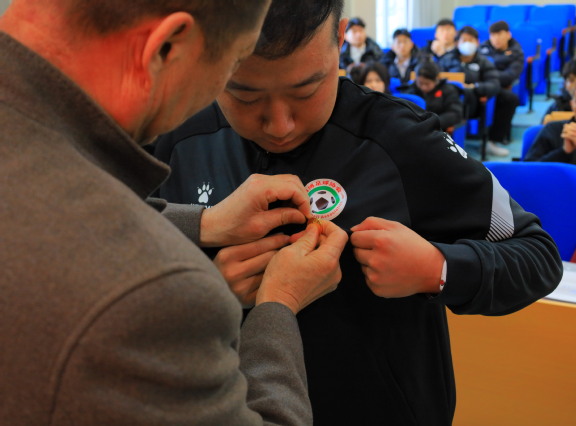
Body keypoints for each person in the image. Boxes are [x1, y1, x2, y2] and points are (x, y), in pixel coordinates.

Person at [151, 0, 563, 424]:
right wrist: (207, 283)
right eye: (244, 94)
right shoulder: (177, 134)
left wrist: (437, 269)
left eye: (305, 91)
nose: (279, 124)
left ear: (340, 37)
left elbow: (538, 256)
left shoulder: (402, 140)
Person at [0, 0, 350, 424]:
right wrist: (277, 305)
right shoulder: (159, 296)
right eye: (236, 68)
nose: (279, 126)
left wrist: (205, 223)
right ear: (168, 47)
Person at [479, 20, 525, 157]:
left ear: (508, 35)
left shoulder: (516, 52)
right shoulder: (483, 48)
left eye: (499, 34)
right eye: (493, 35)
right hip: (480, 84)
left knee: (510, 99)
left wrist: (490, 77)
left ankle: (494, 140)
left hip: (498, 86)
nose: (496, 38)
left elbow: (511, 75)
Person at [438, 25, 501, 123]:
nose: (467, 43)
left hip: (471, 100)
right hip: (447, 97)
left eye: (471, 40)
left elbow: (494, 84)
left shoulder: (484, 62)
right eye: (464, 40)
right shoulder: (446, 59)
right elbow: (437, 79)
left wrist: (474, 87)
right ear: (457, 43)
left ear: (477, 42)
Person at [406, 60, 463, 130]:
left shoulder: (448, 90)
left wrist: (432, 123)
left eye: (427, 84)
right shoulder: (411, 90)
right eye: (420, 83)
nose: (423, 87)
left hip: (438, 128)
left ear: (436, 80)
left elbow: (455, 114)